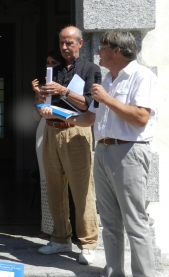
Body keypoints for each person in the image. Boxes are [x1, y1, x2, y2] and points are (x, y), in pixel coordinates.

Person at [42, 30, 158, 276]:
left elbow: (141, 118)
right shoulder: (107, 80)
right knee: (111, 222)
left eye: (102, 47)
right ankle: (113, 271)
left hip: (129, 152)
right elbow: (90, 118)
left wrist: (107, 99)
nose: (97, 52)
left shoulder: (141, 76)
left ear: (116, 51)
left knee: (135, 222)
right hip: (104, 150)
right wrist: (63, 116)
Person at [37, 26, 99, 265]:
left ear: (80, 43)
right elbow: (51, 101)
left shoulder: (90, 69)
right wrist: (43, 103)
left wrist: (63, 91)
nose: (64, 47)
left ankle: (88, 243)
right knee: (54, 187)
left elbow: (89, 104)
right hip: (51, 131)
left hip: (77, 131)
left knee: (82, 189)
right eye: (62, 43)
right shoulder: (55, 69)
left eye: (69, 43)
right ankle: (60, 238)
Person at [31, 50, 65, 238]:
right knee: (46, 179)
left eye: (53, 62)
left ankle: (63, 229)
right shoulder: (44, 87)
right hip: (43, 131)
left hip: (61, 129)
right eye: (47, 62)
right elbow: (36, 116)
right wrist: (38, 96)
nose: (49, 66)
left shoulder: (64, 85)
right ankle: (48, 227)